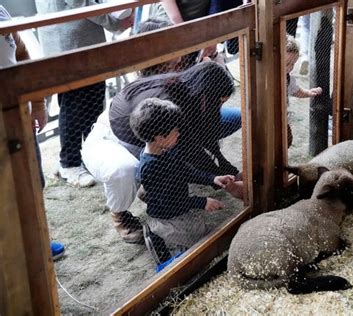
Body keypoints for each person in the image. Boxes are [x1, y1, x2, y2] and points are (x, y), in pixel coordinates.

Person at [82, 61, 243, 243]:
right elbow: (191, 151)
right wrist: (229, 185)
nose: (218, 107)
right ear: (206, 95)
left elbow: (198, 141)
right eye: (218, 102)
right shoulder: (172, 107)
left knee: (236, 117)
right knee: (125, 170)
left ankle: (150, 188)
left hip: (153, 133)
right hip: (114, 139)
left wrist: (228, 174)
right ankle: (120, 214)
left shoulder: (190, 94)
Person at [34, 0, 134, 187]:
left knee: (81, 102)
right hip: (72, 40)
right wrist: (117, 24)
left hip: (70, 37)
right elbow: (81, 3)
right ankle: (69, 163)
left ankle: (82, 157)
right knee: (77, 104)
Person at [129, 98, 236, 263]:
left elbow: (186, 171)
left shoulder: (165, 150)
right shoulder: (150, 167)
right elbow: (168, 203)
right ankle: (159, 240)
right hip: (167, 217)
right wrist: (201, 202)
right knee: (198, 250)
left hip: (179, 207)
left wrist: (213, 178)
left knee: (205, 233)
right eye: (175, 131)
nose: (179, 133)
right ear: (159, 138)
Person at [0, 5, 65, 260]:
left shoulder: (2, 11)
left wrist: (37, 104)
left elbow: (22, 53)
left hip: (19, 119)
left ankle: (36, 242)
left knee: (33, 182)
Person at [285, 35, 323, 146]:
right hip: (268, 118)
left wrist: (309, 92)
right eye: (287, 63)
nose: (290, 67)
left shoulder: (288, 78)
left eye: (293, 64)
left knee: (287, 141)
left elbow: (296, 91)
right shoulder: (267, 77)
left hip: (283, 117)